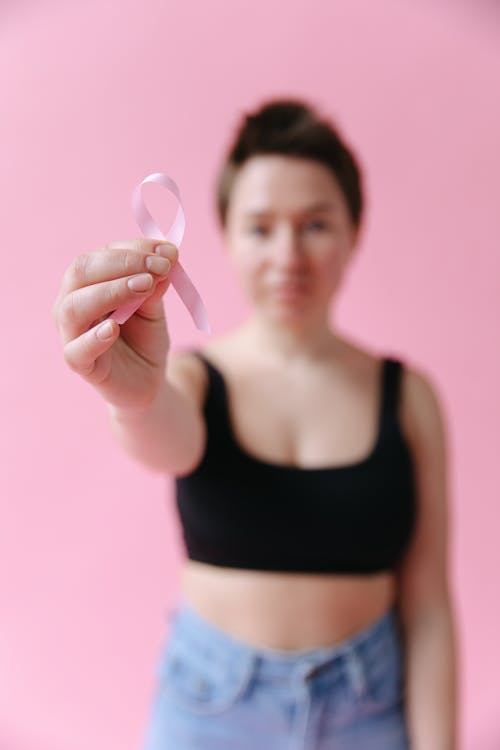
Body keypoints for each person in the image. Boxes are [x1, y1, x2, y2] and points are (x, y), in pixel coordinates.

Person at [52, 98, 457, 749]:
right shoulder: (188, 378)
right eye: (260, 227)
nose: (288, 253)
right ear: (227, 236)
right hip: (210, 712)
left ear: (354, 231)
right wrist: (127, 394)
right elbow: (159, 434)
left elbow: (430, 605)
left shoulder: (409, 398)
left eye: (315, 224)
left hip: (371, 711)